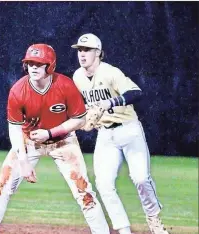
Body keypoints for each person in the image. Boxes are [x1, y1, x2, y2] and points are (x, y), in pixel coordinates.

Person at [0, 43, 110, 234]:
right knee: (1, 188)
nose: (33, 67)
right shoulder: (18, 91)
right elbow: (15, 129)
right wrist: (23, 161)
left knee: (85, 193)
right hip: (30, 141)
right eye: (30, 63)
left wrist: (50, 133)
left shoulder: (65, 85)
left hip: (63, 141)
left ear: (50, 66)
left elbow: (80, 119)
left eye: (39, 63)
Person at [71, 33, 169, 234]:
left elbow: (136, 93)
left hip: (129, 129)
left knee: (141, 178)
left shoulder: (110, 72)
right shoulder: (77, 77)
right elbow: (84, 108)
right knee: (104, 184)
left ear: (98, 52)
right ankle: (123, 230)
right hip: (105, 135)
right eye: (79, 50)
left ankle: (154, 220)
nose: (82, 54)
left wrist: (109, 103)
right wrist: (86, 120)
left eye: (87, 50)